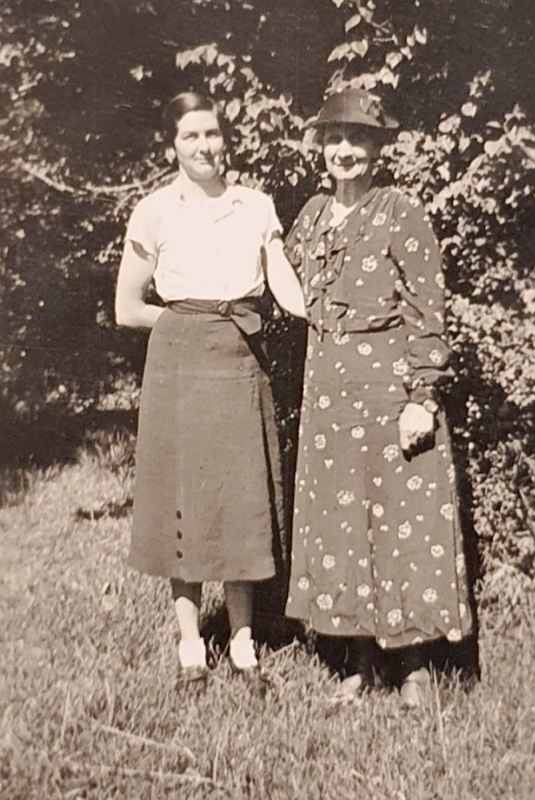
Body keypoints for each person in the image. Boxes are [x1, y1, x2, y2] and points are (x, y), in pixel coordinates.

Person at [284, 88, 473, 706]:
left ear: (377, 148)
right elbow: (284, 284)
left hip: (389, 392)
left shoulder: (400, 211)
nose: (345, 151)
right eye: (335, 139)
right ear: (321, 147)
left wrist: (422, 395)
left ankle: (414, 668)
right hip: (327, 398)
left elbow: (427, 308)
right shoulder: (311, 216)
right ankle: (360, 665)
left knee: (401, 522)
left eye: (358, 140)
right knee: (341, 527)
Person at [115, 90, 306, 683]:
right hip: (178, 364)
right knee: (185, 497)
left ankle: (243, 642)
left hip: (241, 358)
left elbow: (282, 279)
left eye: (213, 133)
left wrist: (320, 316)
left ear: (227, 139)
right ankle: (191, 644)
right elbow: (127, 307)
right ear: (171, 145)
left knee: (242, 497)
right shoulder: (154, 211)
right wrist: (185, 325)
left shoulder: (255, 205)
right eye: (191, 135)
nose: (204, 146)